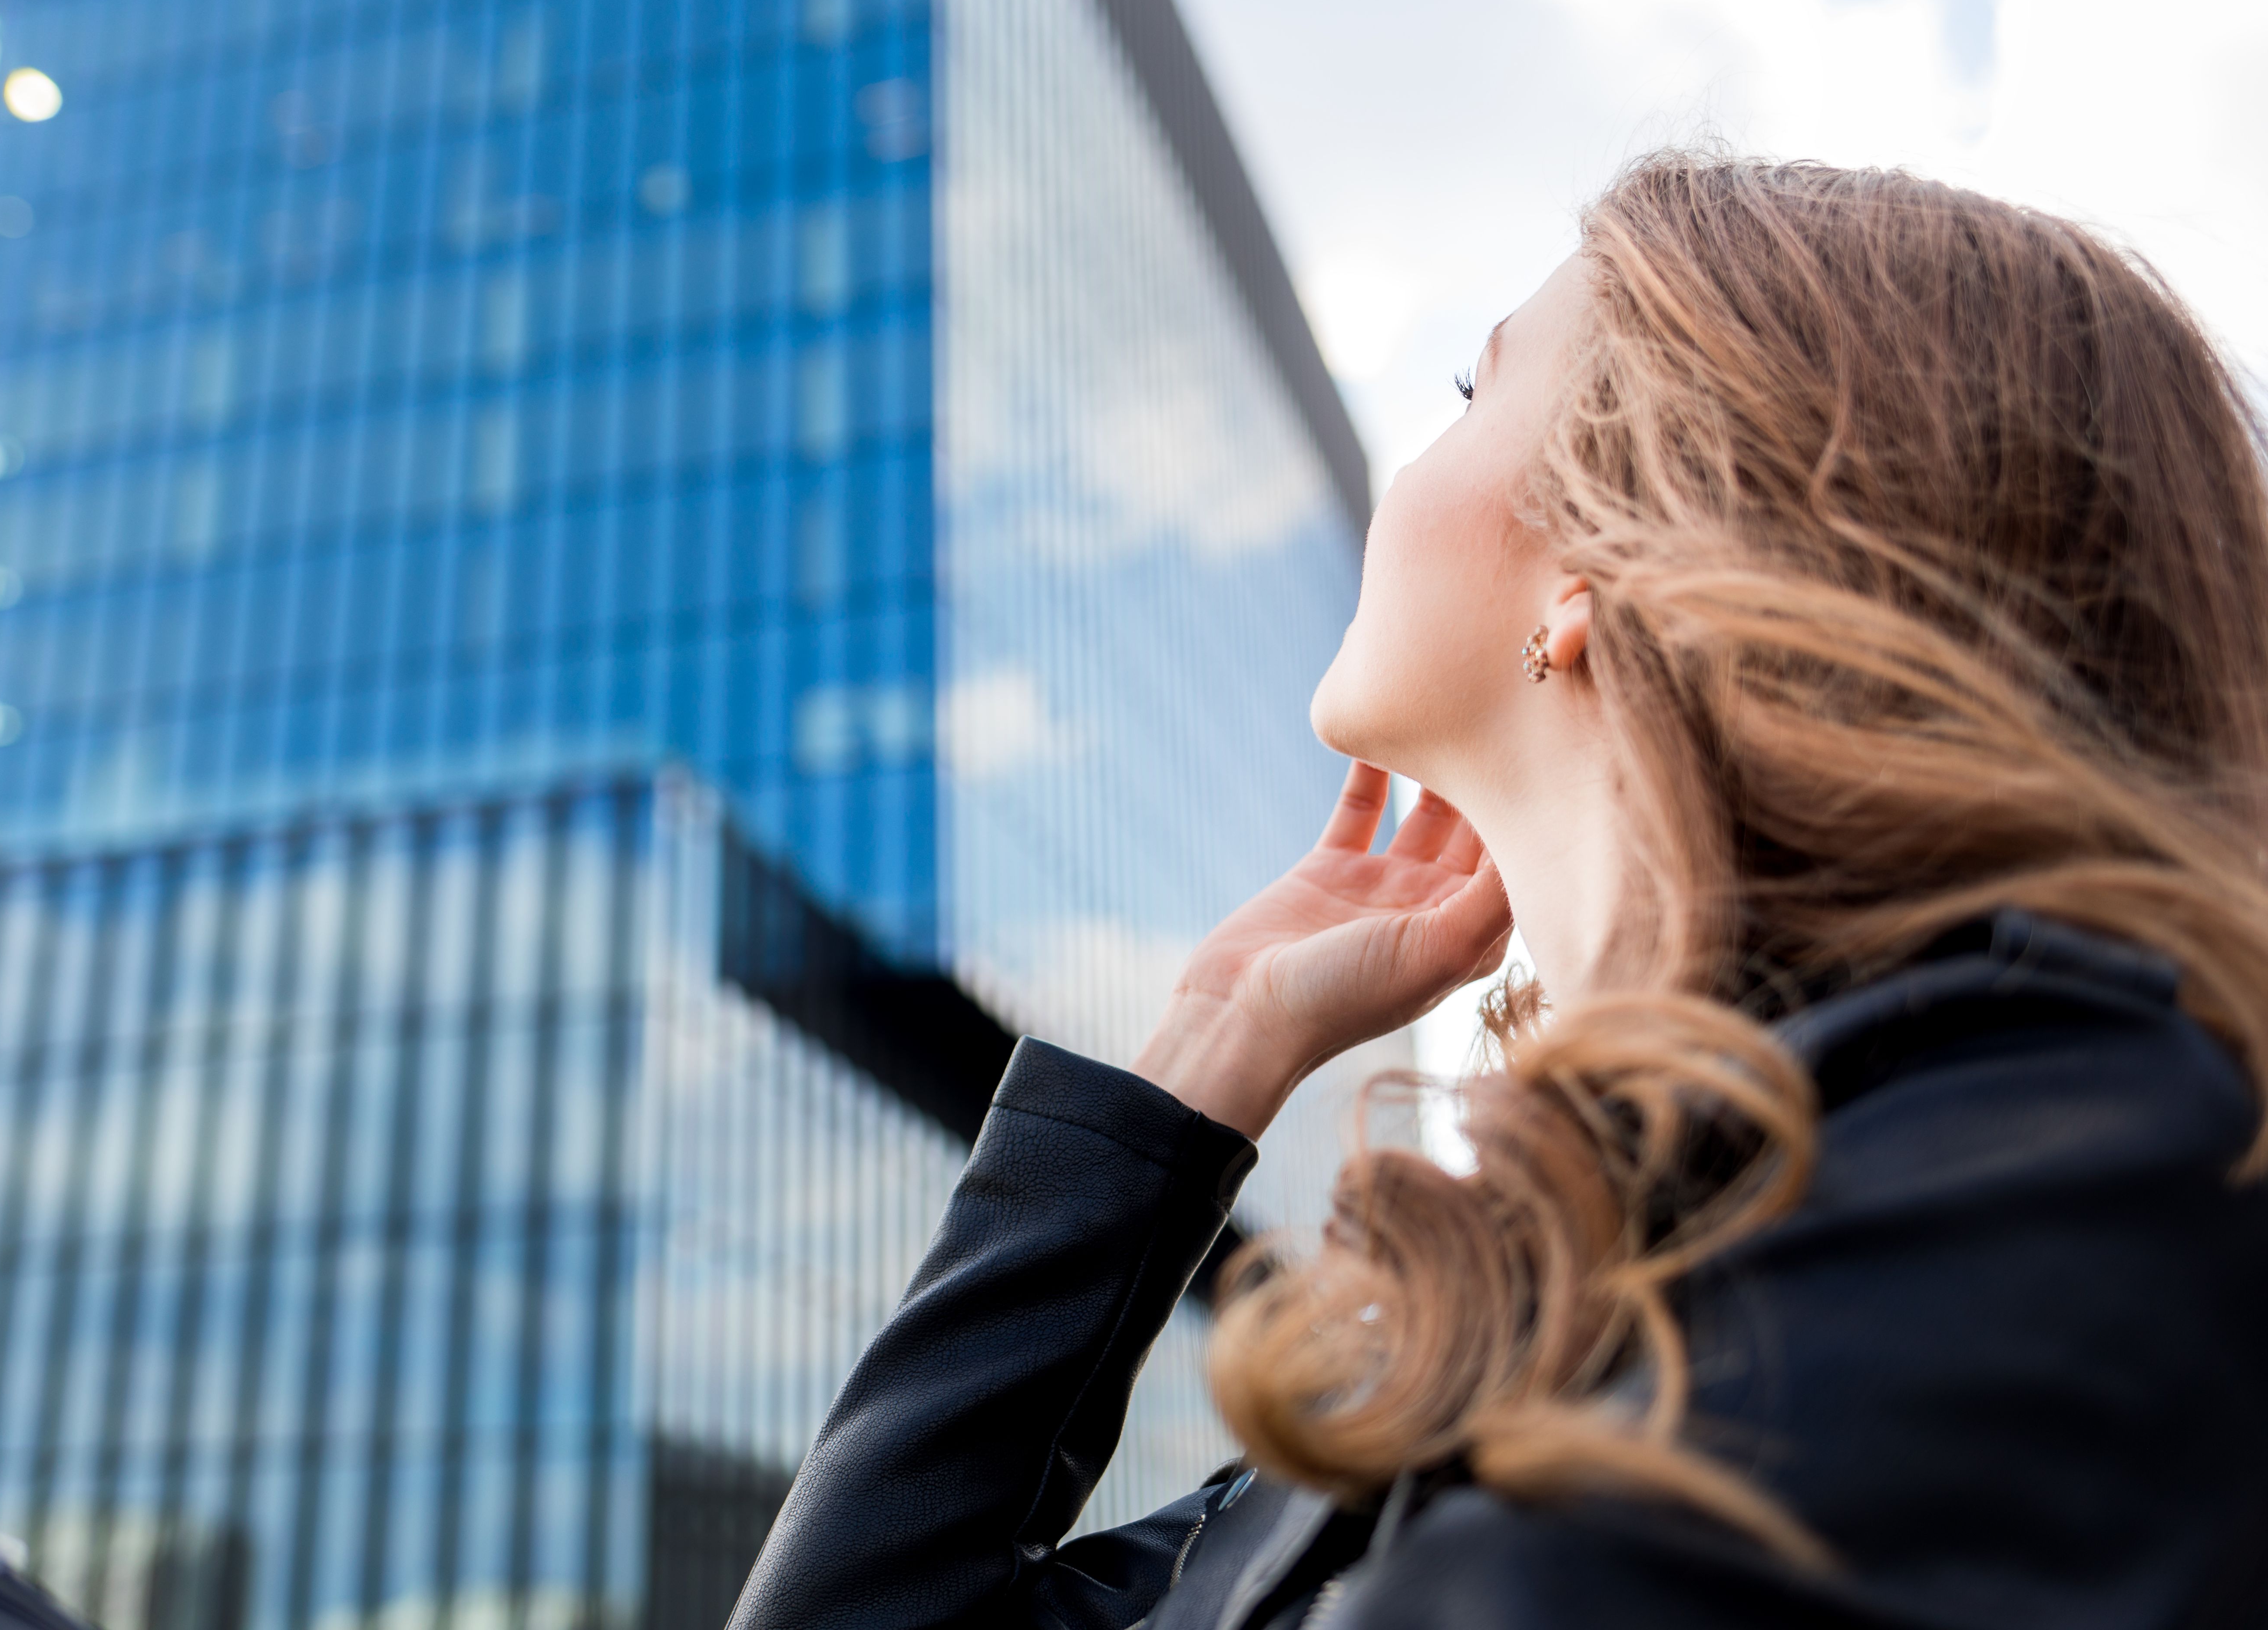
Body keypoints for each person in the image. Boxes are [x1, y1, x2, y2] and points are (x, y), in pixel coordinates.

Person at [727, 155, 2268, 1628]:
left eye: (1474, 389)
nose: (1419, 455)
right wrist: (1206, 1054)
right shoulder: (1563, 1299)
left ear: (1620, 535)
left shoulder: (2039, 1188)